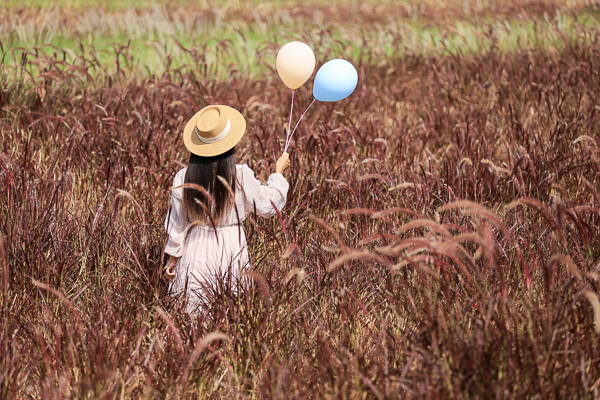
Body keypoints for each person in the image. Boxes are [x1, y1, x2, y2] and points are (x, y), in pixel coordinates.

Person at [163, 105, 290, 311]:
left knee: (192, 317)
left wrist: (172, 260)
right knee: (229, 313)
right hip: (231, 250)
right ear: (230, 144)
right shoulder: (240, 175)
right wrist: (278, 173)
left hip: (194, 250)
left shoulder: (184, 176)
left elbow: (178, 224)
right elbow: (267, 207)